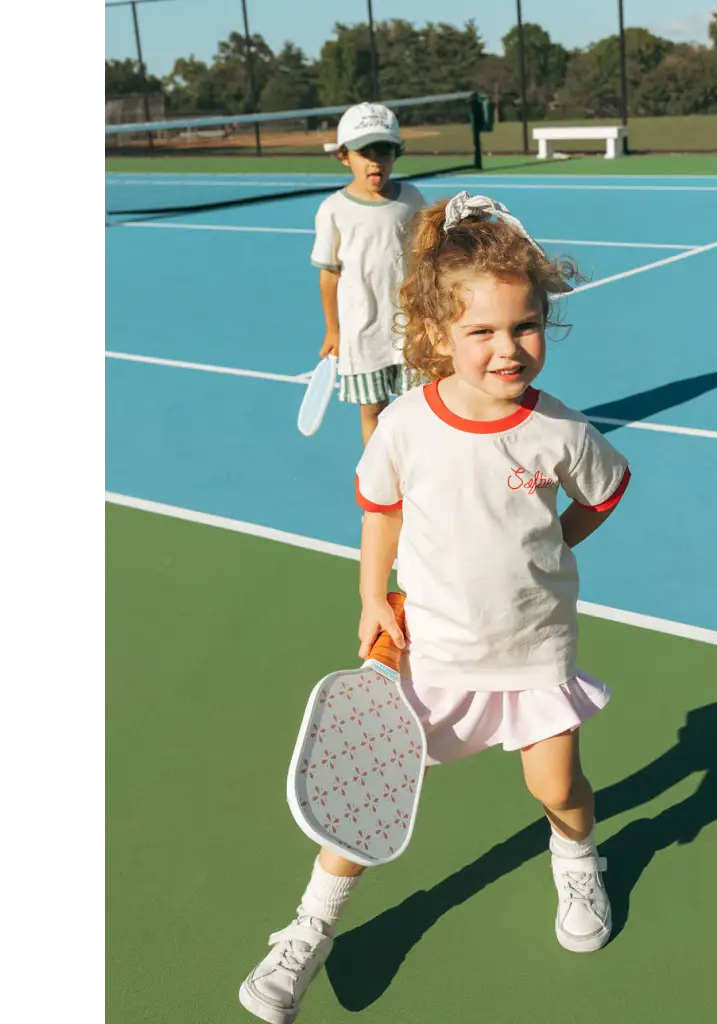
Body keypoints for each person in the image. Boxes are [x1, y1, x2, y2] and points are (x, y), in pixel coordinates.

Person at [239, 192, 631, 1023]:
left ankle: (577, 859)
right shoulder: (409, 425)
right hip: (428, 648)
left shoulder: (559, 431)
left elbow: (606, 491)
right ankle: (309, 930)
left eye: (524, 327)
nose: (507, 349)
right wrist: (371, 593)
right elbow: (379, 507)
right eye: (481, 332)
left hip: (533, 649)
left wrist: (557, 540)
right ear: (436, 336)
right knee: (361, 796)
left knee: (557, 787)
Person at [311, 102, 426, 445]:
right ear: (345, 157)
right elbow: (329, 275)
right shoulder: (333, 210)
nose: (376, 160)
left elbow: (424, 259)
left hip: (409, 328)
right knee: (373, 409)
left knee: (414, 407)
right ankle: (378, 481)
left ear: (396, 154)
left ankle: (415, 472)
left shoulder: (411, 199)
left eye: (385, 150)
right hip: (363, 335)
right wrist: (333, 330)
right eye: (364, 151)